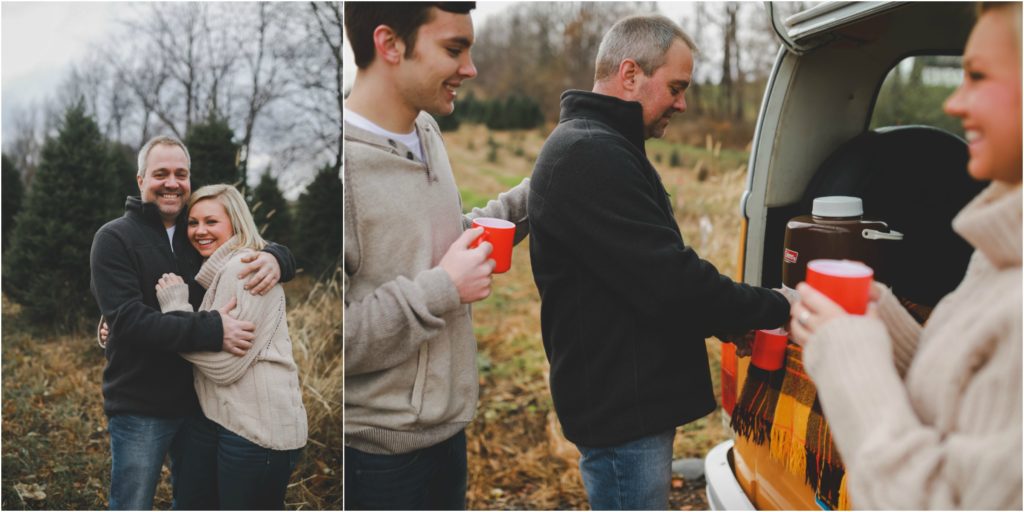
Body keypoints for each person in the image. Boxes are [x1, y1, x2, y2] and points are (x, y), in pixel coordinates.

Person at [528, 15, 791, 510]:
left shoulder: (604, 145)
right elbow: (670, 280)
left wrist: (726, 321)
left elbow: (644, 275)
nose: (682, 103)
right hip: (623, 410)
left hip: (628, 400)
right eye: (675, 87)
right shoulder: (590, 153)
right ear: (630, 74)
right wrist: (775, 306)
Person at [788, 2, 1022, 508]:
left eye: (978, 76)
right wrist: (885, 324)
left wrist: (850, 354)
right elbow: (969, 398)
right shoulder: (1000, 252)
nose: (955, 105)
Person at [342, 2, 529, 510]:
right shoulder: (344, 170)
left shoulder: (425, 131)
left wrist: (541, 190)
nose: (469, 69)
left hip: (447, 437)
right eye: (454, 49)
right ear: (390, 44)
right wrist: (444, 289)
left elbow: (440, 245)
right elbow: (331, 339)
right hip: (378, 462)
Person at [90, 135, 296, 510]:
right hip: (141, 406)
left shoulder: (196, 235)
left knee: (195, 502)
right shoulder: (114, 238)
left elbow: (243, 246)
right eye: (161, 173)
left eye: (181, 174)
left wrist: (279, 258)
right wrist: (213, 330)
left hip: (201, 408)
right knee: (131, 503)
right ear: (141, 180)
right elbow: (131, 320)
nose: (172, 182)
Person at [154, 184, 307, 510]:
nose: (199, 231)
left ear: (236, 224)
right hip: (222, 421)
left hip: (257, 432)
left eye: (211, 222)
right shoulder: (216, 272)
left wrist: (177, 315)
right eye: (193, 223)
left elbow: (225, 366)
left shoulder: (245, 270)